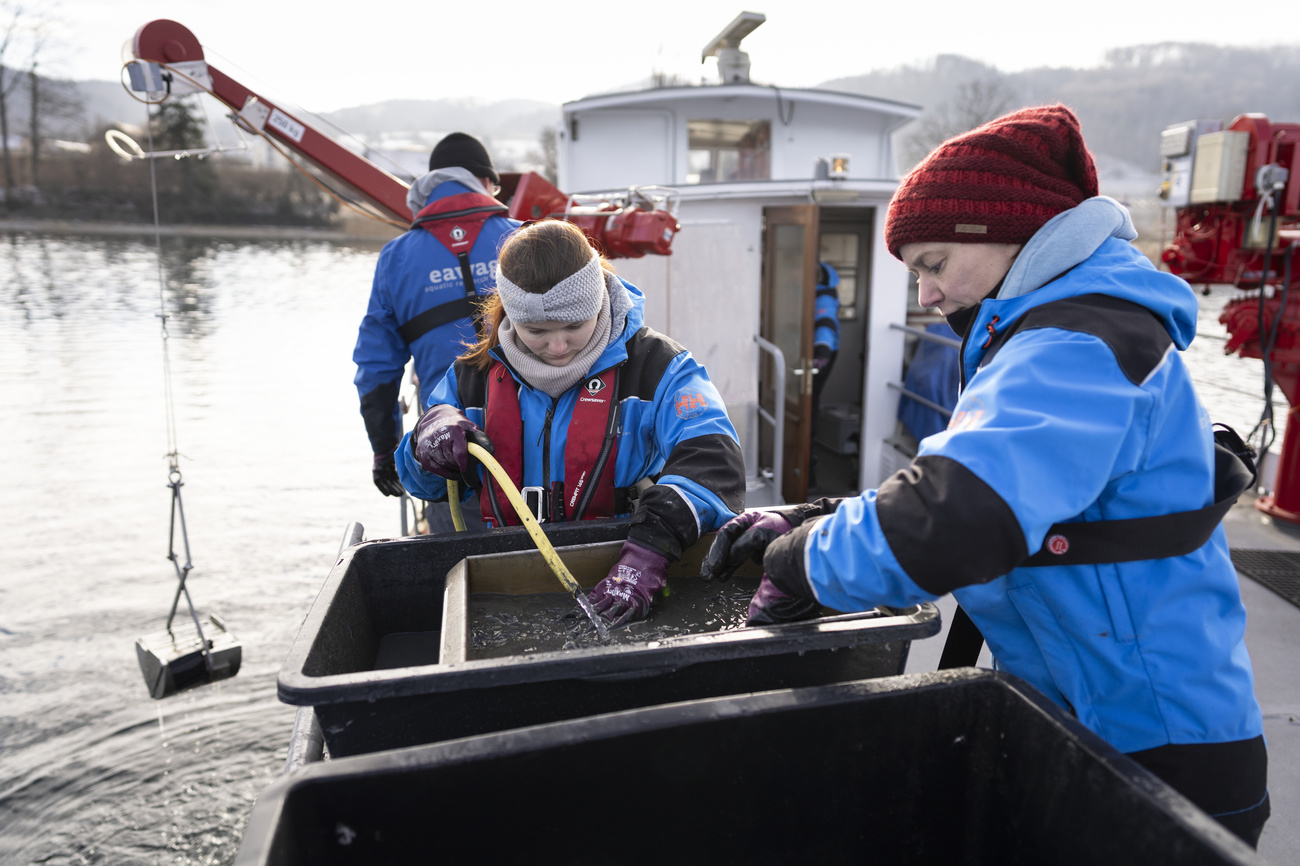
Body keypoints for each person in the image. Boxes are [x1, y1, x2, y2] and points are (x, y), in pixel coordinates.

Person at [702, 105, 1269, 846]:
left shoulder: (1080, 340)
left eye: (934, 265)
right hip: (1092, 712)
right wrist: (818, 516)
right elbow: (960, 477)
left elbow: (957, 515)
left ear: (1012, 234)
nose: (928, 296)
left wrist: (798, 558)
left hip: (1160, 750)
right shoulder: (1053, 329)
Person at [397, 219, 745, 625]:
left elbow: (715, 461)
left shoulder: (661, 369)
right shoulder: (470, 379)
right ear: (510, 315)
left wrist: (650, 551)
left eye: (575, 325)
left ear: (599, 300)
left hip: (628, 571)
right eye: (536, 331)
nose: (558, 346)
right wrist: (426, 440)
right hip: (508, 582)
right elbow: (422, 484)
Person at [353, 132, 520, 530]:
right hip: (538, 442)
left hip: (449, 449)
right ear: (485, 184)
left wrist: (384, 452)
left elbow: (376, 370)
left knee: (461, 570)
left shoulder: (396, 258)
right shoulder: (524, 237)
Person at [808, 263, 841, 489]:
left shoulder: (824, 298)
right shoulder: (821, 292)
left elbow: (825, 324)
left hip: (822, 356)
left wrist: (821, 353)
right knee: (810, 406)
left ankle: (808, 471)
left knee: (809, 406)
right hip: (820, 354)